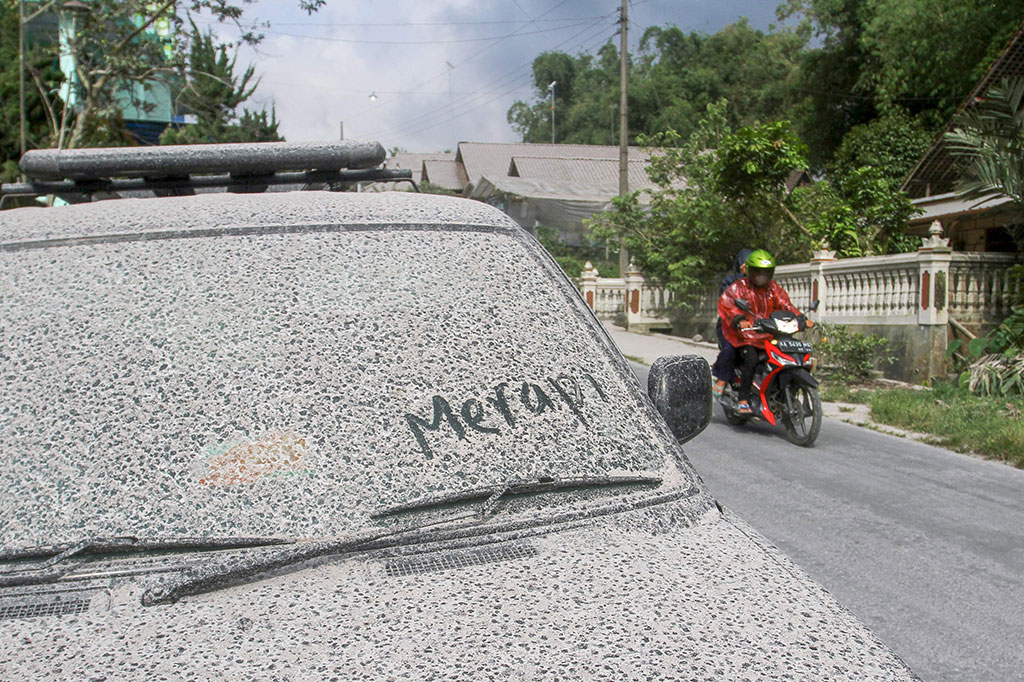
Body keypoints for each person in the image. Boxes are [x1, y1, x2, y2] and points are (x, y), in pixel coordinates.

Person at [717, 249, 811, 415]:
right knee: (752, 358)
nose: (761, 276)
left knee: (786, 354)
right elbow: (727, 304)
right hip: (746, 336)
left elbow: (786, 305)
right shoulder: (739, 287)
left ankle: (779, 391)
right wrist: (739, 320)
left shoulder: (774, 289)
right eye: (758, 272)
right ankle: (743, 399)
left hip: (768, 333)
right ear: (750, 271)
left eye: (765, 272)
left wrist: (801, 318)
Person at [712, 248, 752, 397]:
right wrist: (738, 319)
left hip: (754, 326)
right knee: (731, 348)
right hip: (729, 325)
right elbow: (726, 303)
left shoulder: (760, 284)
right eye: (745, 264)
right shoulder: (730, 282)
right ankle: (721, 379)